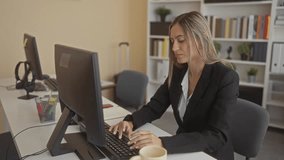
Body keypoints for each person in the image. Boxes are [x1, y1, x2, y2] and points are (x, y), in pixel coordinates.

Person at [109, 11, 239, 160]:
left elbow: (216, 136)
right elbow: (155, 106)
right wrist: (130, 121)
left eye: (181, 40)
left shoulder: (226, 77)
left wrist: (162, 142)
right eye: (172, 41)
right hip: (183, 149)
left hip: (210, 154)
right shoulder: (179, 71)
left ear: (200, 37)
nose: (174, 48)